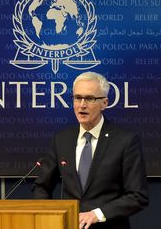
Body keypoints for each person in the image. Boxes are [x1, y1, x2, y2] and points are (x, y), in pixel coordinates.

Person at [32, 71, 149, 229]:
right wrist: (50, 216)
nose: (82, 105)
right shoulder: (61, 139)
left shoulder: (125, 141)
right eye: (77, 97)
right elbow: (41, 186)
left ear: (105, 103)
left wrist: (97, 214)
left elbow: (137, 196)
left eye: (90, 98)